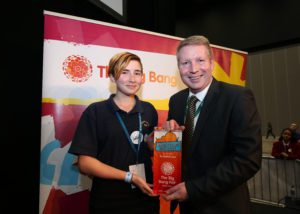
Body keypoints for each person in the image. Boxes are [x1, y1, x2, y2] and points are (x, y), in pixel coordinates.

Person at [161, 35, 262, 214]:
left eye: (200, 60)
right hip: (187, 207)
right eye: (185, 63)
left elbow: (247, 160)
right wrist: (165, 139)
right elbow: (181, 154)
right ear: (179, 68)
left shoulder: (237, 98)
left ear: (212, 64)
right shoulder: (176, 101)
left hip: (224, 206)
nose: (193, 69)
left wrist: (193, 189)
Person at [68, 52, 159, 214]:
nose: (132, 79)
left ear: (142, 77)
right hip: (108, 200)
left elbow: (147, 149)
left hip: (146, 195)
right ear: (111, 76)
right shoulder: (96, 112)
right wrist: (129, 177)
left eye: (137, 73)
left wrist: (153, 144)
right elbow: (85, 163)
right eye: (125, 72)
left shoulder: (149, 110)